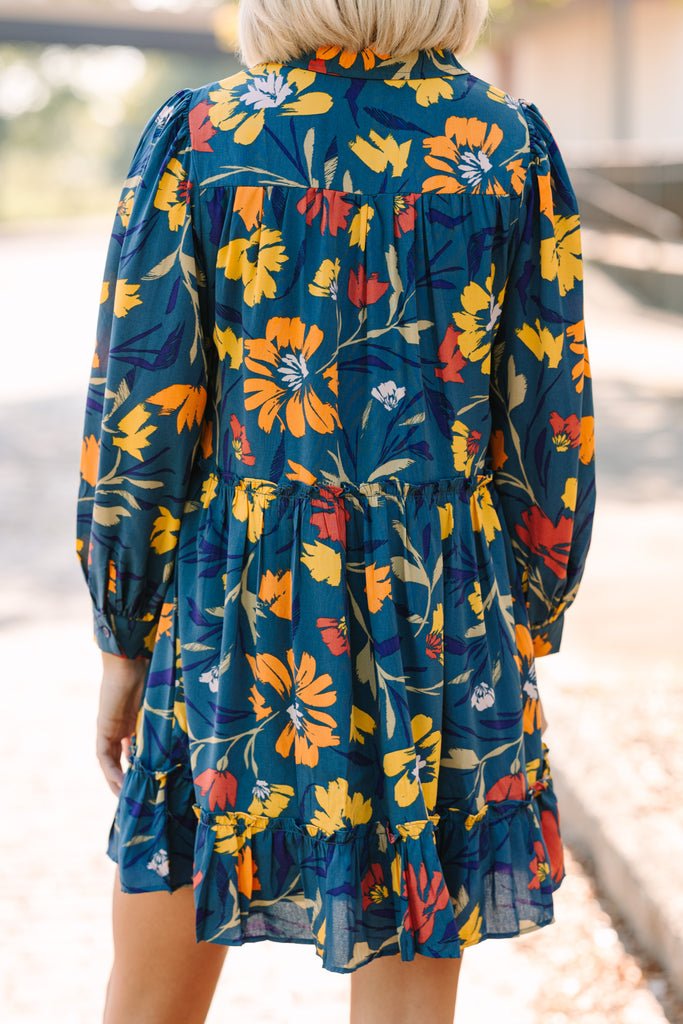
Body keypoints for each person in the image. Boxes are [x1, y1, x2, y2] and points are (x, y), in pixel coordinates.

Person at [76, 0, 596, 1021]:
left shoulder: (201, 137)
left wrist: (123, 636)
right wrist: (529, 609)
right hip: (438, 607)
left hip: (238, 601)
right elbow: (549, 416)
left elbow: (142, 408)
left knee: (151, 996)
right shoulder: (505, 146)